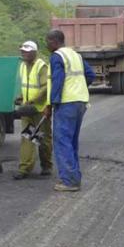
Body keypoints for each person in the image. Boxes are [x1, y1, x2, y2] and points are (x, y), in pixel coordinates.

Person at [43, 30, 96, 192]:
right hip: (80, 101)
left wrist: (51, 105)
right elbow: (90, 75)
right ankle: (74, 177)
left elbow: (57, 82)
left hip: (66, 103)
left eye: (47, 41)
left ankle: (69, 181)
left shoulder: (57, 57)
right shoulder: (75, 55)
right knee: (71, 141)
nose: (46, 45)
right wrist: (79, 88)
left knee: (62, 140)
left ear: (54, 41)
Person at [13, 40, 52, 180]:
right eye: (23, 51)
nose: (24, 54)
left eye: (27, 51)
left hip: (40, 109)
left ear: (34, 53)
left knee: (43, 139)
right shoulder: (23, 66)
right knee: (27, 137)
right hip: (28, 109)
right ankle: (24, 168)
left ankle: (46, 166)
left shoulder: (41, 66)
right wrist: (22, 97)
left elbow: (45, 87)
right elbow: (27, 85)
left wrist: (33, 100)